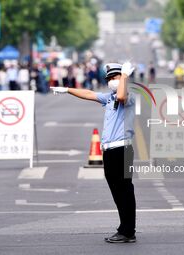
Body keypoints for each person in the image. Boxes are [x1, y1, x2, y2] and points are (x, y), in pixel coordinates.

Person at [51, 62, 137, 243]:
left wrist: (125, 77)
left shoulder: (128, 96)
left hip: (123, 149)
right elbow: (89, 93)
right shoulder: (109, 97)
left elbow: (122, 95)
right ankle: (125, 228)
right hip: (110, 151)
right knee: (117, 191)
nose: (112, 81)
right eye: (110, 79)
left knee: (125, 191)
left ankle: (128, 231)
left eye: (115, 78)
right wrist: (67, 90)